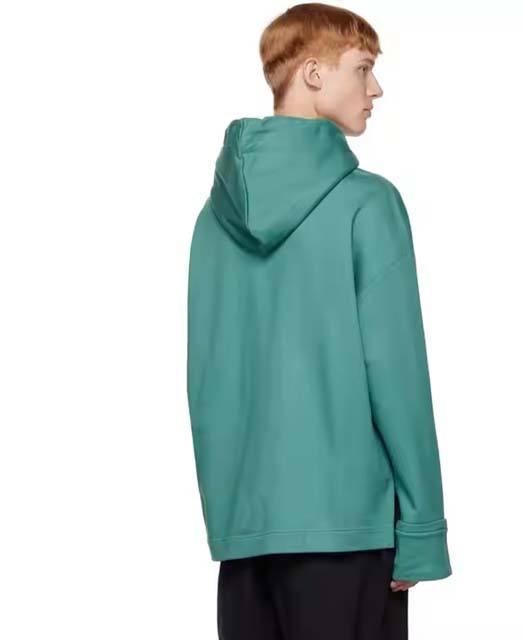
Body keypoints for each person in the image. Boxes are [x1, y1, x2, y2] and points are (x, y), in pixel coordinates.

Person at [186, 3, 452, 638]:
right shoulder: (367, 204)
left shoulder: (212, 219)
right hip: (349, 530)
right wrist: (421, 527)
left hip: (247, 540)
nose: (376, 88)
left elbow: (209, 375)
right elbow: (397, 374)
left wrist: (234, 514)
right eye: (362, 68)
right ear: (312, 73)